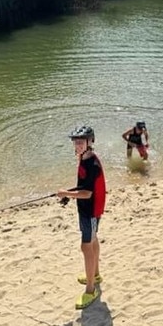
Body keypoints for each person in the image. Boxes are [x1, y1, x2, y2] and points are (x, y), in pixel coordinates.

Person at [57, 126, 106, 310]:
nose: (77, 145)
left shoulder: (91, 163)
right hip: (87, 209)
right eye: (75, 142)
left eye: (80, 142)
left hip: (91, 210)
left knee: (86, 246)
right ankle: (96, 274)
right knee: (92, 241)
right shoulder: (83, 159)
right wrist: (68, 194)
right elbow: (82, 186)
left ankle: (90, 290)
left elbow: (87, 193)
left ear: (90, 142)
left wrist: (66, 193)